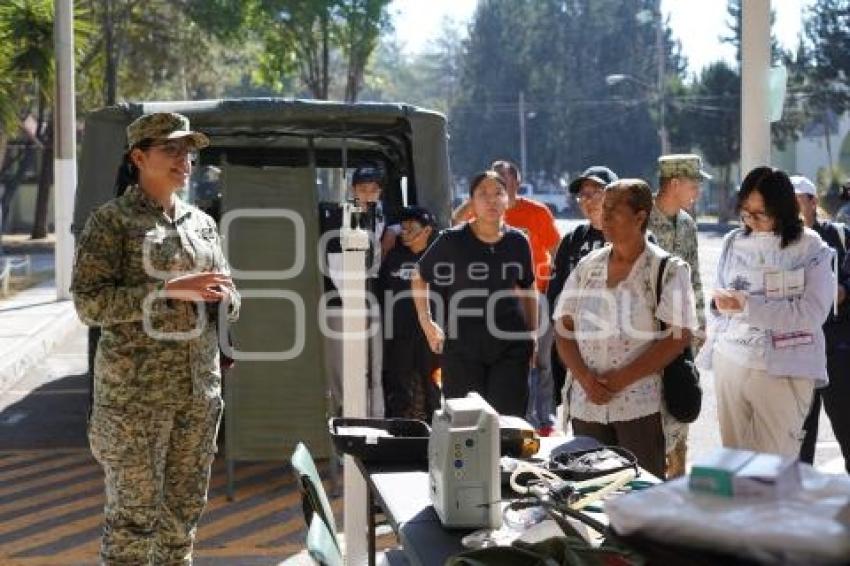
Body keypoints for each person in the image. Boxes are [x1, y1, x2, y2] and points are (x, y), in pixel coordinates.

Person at [71, 112, 240, 564]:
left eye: (188, 151)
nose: (184, 159)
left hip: (197, 394)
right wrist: (166, 291)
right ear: (139, 156)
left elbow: (228, 293)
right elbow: (89, 303)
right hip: (133, 402)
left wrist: (225, 297)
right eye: (171, 149)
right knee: (133, 521)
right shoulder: (112, 221)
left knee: (182, 517)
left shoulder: (201, 223)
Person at [553, 179, 697, 478]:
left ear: (640, 216)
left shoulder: (668, 270)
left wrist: (620, 380)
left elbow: (677, 337)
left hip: (640, 409)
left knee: (639, 499)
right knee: (589, 499)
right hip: (587, 406)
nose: (603, 217)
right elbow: (563, 327)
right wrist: (585, 379)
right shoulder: (587, 266)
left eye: (613, 210)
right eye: (603, 208)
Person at [697, 167, 835, 457]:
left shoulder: (811, 247)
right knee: (734, 461)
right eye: (746, 212)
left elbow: (811, 313)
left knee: (771, 467)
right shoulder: (733, 241)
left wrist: (748, 306)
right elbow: (720, 294)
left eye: (760, 214)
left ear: (783, 209)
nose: (751, 221)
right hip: (731, 361)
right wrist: (718, 304)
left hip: (784, 368)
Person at [413, 170, 536, 416]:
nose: (491, 200)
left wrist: (533, 334)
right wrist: (427, 323)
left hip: (510, 344)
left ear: (508, 200)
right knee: (465, 424)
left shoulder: (518, 241)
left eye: (498, 193)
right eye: (483, 194)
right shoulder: (451, 240)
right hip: (463, 345)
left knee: (508, 422)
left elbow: (527, 288)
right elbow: (419, 275)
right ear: (472, 202)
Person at [453, 160, 560, 433]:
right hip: (496, 299)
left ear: (517, 183)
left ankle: (543, 416)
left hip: (534, 292)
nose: (498, 185)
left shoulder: (536, 211)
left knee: (541, 359)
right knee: (507, 356)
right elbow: (455, 222)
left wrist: (553, 282)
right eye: (492, 181)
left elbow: (556, 248)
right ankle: (503, 413)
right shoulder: (482, 212)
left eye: (504, 180)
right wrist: (474, 199)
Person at [647, 154, 709, 478]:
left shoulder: (687, 224)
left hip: (681, 336)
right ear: (674, 183)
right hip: (646, 338)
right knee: (649, 419)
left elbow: (695, 276)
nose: (697, 189)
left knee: (681, 407)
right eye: (694, 182)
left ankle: (677, 485)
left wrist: (700, 324)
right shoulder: (641, 221)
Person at [320, 165, 395, 417]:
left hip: (370, 301)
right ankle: (348, 427)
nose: (368, 195)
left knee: (373, 368)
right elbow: (337, 268)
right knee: (346, 371)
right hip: (344, 304)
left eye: (374, 190)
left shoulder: (384, 220)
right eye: (363, 189)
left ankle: (374, 424)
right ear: (353, 190)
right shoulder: (341, 219)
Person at [548, 166, 617, 418]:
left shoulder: (634, 236)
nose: (587, 201)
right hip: (578, 350)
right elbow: (555, 298)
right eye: (582, 195)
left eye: (595, 192)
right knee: (584, 426)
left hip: (622, 347)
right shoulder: (573, 239)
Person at [793, 175, 850, 473]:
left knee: (845, 423)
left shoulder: (838, 235)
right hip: (797, 350)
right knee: (799, 435)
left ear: (813, 202)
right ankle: (798, 505)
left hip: (837, 350)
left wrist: (844, 290)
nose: (790, 208)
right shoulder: (780, 242)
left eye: (797, 200)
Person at [377, 205, 441, 420]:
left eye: (410, 228)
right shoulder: (393, 258)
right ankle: (398, 435)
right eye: (402, 229)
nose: (404, 233)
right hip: (399, 335)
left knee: (433, 387)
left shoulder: (440, 259)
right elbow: (380, 291)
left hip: (432, 337)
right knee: (398, 387)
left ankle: (438, 433)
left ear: (427, 230)